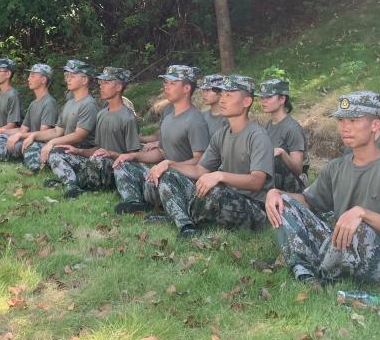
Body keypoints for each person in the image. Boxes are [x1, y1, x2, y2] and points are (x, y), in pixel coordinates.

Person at [265, 91, 380, 284]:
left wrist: (363, 214)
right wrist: (276, 193)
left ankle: (317, 268)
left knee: (359, 229)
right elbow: (310, 201)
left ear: (375, 125)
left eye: (353, 120)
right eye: (341, 120)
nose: (345, 127)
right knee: (284, 203)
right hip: (340, 243)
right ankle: (305, 268)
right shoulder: (336, 167)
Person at [156, 75, 273, 237]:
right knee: (170, 175)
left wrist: (220, 175)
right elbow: (200, 170)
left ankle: (176, 215)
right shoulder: (222, 134)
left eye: (229, 95)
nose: (222, 100)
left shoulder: (257, 136)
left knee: (214, 191)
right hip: (225, 197)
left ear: (247, 102)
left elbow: (257, 181)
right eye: (222, 94)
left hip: (253, 207)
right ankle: (185, 225)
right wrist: (170, 164)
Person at [112, 64, 210, 215]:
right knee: (123, 163)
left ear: (186, 88)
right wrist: (133, 156)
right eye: (165, 82)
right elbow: (161, 152)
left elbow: (200, 161)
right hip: (164, 173)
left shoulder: (195, 120)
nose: (166, 86)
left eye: (172, 83)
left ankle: (170, 208)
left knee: (166, 175)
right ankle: (135, 202)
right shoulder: (169, 117)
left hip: (183, 181)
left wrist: (170, 165)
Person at [46, 67, 141, 198]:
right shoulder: (101, 114)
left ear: (119, 87)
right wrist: (77, 151)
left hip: (116, 168)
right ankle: (72, 185)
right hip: (97, 162)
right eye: (101, 82)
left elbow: (133, 157)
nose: (101, 86)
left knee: (99, 160)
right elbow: (97, 149)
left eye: (106, 83)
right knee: (60, 152)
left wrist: (111, 154)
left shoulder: (128, 118)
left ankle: (78, 182)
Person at [23, 59, 99, 173]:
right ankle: (37, 170)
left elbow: (79, 136)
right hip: (65, 149)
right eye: (67, 75)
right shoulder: (70, 103)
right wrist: (34, 135)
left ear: (84, 80)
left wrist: (52, 142)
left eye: (72, 76)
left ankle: (70, 181)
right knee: (33, 144)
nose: (68, 79)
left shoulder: (89, 104)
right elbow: (57, 131)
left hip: (81, 153)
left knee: (54, 153)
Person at [259, 78, 309, 193]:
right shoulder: (268, 125)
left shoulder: (292, 128)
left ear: (282, 99)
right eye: (262, 97)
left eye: (269, 97)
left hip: (292, 189)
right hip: (273, 184)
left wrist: (282, 153)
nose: (263, 101)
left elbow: (298, 170)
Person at [1, 63, 58, 160]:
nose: (28, 79)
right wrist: (2, 131)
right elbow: (23, 129)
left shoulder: (49, 103)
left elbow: (43, 134)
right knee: (1, 137)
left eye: (33, 76)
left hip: (39, 144)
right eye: (29, 76)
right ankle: (8, 154)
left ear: (43, 80)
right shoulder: (33, 103)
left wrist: (19, 136)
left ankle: (9, 155)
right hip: (29, 139)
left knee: (17, 144)